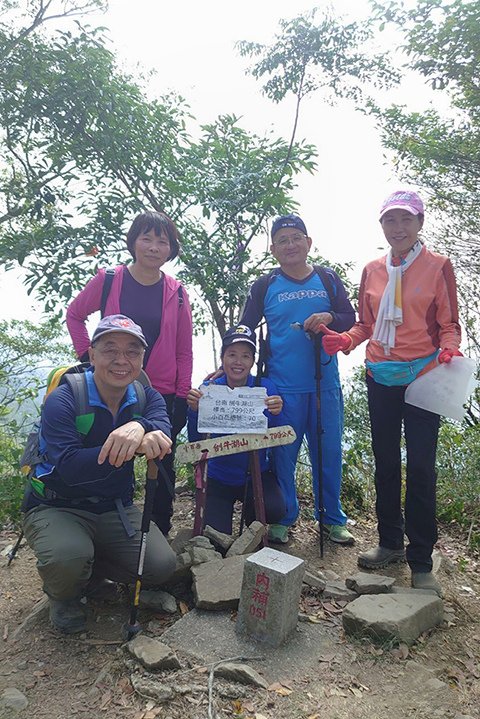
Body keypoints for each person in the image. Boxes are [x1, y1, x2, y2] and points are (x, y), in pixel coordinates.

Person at [320, 190, 462, 597]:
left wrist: (450, 346)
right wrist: (344, 340)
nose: (397, 228)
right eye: (390, 221)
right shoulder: (373, 270)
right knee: (385, 461)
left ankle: (420, 559)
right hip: (380, 373)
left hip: (424, 374)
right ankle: (390, 542)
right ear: (381, 226)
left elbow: (448, 322)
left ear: (419, 223)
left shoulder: (438, 267)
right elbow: (365, 325)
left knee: (420, 467)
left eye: (405, 220)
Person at [22, 315, 177, 633]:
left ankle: (91, 566)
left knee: (162, 566)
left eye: (132, 351)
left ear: (141, 359)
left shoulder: (147, 397)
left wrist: (140, 425)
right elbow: (69, 467)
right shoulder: (64, 399)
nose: (122, 360)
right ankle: (64, 594)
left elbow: (163, 428)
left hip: (113, 507)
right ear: (92, 355)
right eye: (110, 349)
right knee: (66, 558)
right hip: (57, 505)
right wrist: (131, 447)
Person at [66, 210, 193, 536]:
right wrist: (88, 357)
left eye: (162, 241)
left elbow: (183, 350)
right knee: (108, 455)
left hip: (161, 393)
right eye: (146, 238)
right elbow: (75, 314)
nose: (153, 247)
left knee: (161, 464)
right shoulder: (109, 279)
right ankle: (101, 532)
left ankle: (156, 537)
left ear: (171, 248)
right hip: (111, 386)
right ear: (133, 242)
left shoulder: (177, 293)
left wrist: (180, 397)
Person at [240, 214, 356, 545]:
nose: (290, 245)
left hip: (325, 384)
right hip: (281, 388)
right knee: (282, 455)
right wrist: (230, 367)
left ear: (308, 242)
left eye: (296, 238)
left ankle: (332, 518)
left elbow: (350, 318)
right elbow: (246, 328)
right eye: (282, 240)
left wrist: (330, 316)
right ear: (273, 249)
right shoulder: (265, 286)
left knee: (329, 452)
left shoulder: (327, 279)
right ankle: (285, 517)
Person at [186, 325, 286, 535]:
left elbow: (275, 437)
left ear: (252, 361)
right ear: (223, 358)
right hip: (217, 476)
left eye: (245, 356)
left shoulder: (266, 388)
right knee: (216, 538)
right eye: (232, 354)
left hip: (256, 473)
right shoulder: (209, 389)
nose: (238, 362)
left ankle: (252, 527)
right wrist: (195, 410)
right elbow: (196, 440)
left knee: (274, 509)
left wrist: (276, 413)